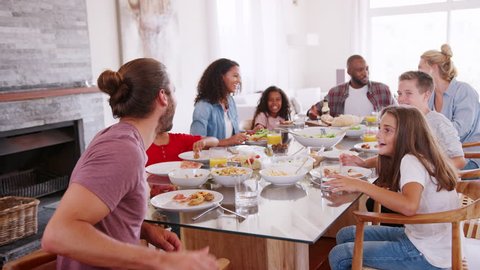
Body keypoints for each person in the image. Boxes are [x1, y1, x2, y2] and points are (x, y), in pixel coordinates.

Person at [42, 58, 218, 270]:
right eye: (173, 90)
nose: (176, 99)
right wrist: (162, 260)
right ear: (162, 96)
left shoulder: (119, 139)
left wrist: (141, 229)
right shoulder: (122, 150)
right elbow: (59, 233)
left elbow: (103, 214)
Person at [328, 106, 460, 270]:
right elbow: (381, 161)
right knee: (346, 235)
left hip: (428, 254)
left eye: (387, 130)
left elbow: (409, 206)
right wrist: (363, 164)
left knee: (340, 255)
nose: (378, 135)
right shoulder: (421, 154)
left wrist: (361, 185)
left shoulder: (411, 161)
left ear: (405, 134)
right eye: (380, 128)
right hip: (435, 243)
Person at [342, 71, 466, 170]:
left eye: (408, 94)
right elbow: (394, 156)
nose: (401, 99)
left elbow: (459, 161)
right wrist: (364, 163)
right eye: (399, 93)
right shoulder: (402, 120)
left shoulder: (438, 123)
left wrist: (425, 170)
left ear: (426, 95)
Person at [419, 44, 480, 169]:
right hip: (442, 155)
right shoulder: (430, 95)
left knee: (422, 171)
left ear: (433, 68)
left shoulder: (464, 91)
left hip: (468, 157)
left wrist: (425, 135)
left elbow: (460, 130)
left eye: (420, 68)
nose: (417, 73)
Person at [307, 55, 396, 119]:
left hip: (374, 139)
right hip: (343, 140)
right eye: (360, 70)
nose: (365, 73)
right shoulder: (335, 92)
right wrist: (312, 113)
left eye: (366, 69)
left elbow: (398, 114)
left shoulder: (383, 90)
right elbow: (315, 110)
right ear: (349, 72)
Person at [190, 58, 248, 145]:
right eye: (235, 76)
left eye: (239, 77)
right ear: (221, 77)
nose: (239, 81)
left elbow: (232, 134)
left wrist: (249, 133)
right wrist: (228, 141)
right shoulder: (203, 106)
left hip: (231, 156)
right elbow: (196, 143)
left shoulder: (230, 101)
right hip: (211, 158)